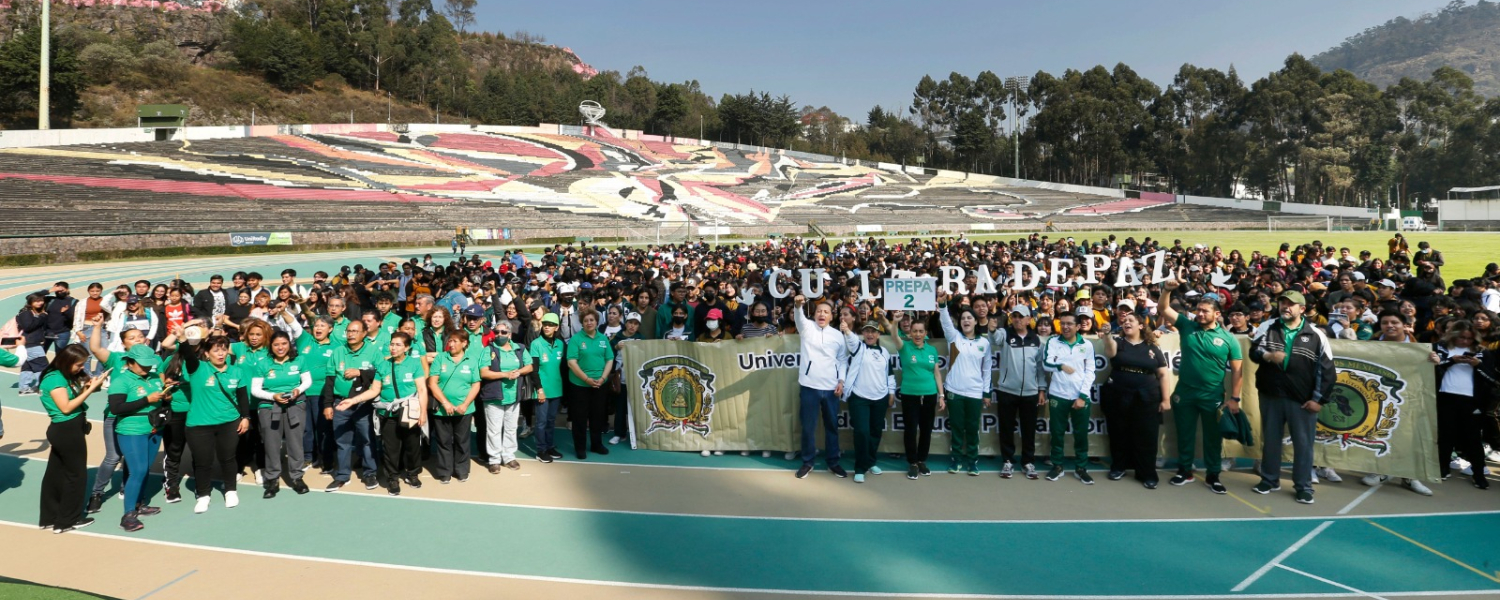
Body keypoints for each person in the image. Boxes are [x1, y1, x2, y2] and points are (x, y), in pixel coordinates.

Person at [1248, 291, 1336, 504]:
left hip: (1302, 400)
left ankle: (1303, 486)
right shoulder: (1267, 327)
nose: (1286, 307)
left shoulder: (1316, 335)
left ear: (1302, 309)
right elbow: (1254, 352)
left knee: (1303, 444)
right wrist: (1268, 356)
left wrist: (1318, 400)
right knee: (1270, 440)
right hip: (1271, 395)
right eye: (1282, 303)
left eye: (1291, 304)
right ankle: (1269, 480)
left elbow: (1328, 372)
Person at [1160, 273, 1243, 494]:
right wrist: (1166, 290)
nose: (1199, 313)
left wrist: (1234, 398)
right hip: (1184, 394)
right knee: (1184, 434)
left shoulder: (1228, 338)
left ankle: (1213, 475)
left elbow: (1237, 370)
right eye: (1198, 310)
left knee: (1212, 438)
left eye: (1204, 311)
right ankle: (1184, 471)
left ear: (1217, 314)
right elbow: (1164, 310)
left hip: (1213, 396)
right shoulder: (1187, 326)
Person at [178, 334, 252, 514]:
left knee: (228, 458)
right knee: (203, 461)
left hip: (229, 423)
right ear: (206, 353)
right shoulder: (197, 368)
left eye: (224, 349)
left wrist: (246, 417)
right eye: (216, 350)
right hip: (199, 425)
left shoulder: (236, 371)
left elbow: (242, 397)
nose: (221, 354)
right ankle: (203, 495)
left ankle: (230, 490)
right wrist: (182, 340)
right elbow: (188, 354)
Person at [38, 345, 106, 534]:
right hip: (66, 430)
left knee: (55, 473)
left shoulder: (64, 377)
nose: (81, 368)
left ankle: (50, 517)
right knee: (76, 475)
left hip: (67, 429)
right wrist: (89, 390)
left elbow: (74, 395)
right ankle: (68, 520)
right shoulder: (55, 380)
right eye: (79, 365)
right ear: (67, 361)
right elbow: (66, 407)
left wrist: (91, 385)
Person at [1100, 312, 1170, 489]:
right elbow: (1110, 351)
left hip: (1147, 397)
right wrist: (1108, 335)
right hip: (1118, 395)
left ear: (1141, 326)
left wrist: (1166, 399)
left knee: (1146, 435)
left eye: (1131, 320)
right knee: (1118, 432)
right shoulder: (1118, 343)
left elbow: (1162, 374)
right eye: (1124, 321)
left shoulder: (1152, 347)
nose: (1126, 322)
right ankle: (1118, 467)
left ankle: (1146, 473)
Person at [107, 345, 169, 531]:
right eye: (142, 365)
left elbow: (157, 397)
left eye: (149, 365)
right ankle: (128, 515)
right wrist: (146, 400)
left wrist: (166, 396)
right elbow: (116, 408)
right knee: (138, 470)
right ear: (131, 362)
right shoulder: (121, 380)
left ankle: (139, 505)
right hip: (131, 430)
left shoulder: (152, 378)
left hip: (154, 429)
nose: (146, 368)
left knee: (145, 469)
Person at [248, 331, 313, 498]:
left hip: (295, 406)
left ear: (289, 344)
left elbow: (307, 381)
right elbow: (255, 389)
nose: (280, 347)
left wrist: (298, 390)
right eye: (276, 344)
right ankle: (272, 480)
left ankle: (297, 478)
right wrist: (273, 396)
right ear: (271, 346)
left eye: (284, 344)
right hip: (269, 407)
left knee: (295, 443)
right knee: (271, 443)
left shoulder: (299, 360)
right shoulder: (263, 363)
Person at [321, 320, 384, 492]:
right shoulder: (338, 352)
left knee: (366, 439)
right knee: (342, 441)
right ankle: (342, 475)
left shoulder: (373, 352)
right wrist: (327, 404)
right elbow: (330, 380)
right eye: (348, 331)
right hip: (340, 403)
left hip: (363, 404)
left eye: (355, 331)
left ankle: (370, 473)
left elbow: (382, 373)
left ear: (364, 333)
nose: (350, 334)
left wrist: (361, 373)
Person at [791, 295, 848, 479]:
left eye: (826, 312)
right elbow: (799, 316)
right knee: (808, 427)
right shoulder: (807, 328)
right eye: (818, 311)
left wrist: (841, 381)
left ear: (832, 316)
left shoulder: (838, 336)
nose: (822, 314)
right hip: (809, 387)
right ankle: (808, 462)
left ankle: (833, 461)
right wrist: (798, 305)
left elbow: (842, 360)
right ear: (814, 314)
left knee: (832, 426)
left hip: (831, 389)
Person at [936, 290, 992, 476]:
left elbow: (987, 370)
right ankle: (957, 459)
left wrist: (986, 393)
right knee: (957, 428)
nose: (966, 321)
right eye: (963, 319)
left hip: (975, 393)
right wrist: (943, 305)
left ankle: (972, 461)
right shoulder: (955, 338)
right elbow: (945, 321)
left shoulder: (984, 343)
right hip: (954, 391)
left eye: (970, 318)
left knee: (972, 428)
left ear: (976, 321)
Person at [1431, 321, 1490, 489]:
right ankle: (1443, 468)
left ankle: (1479, 473)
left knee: (1473, 438)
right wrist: (1451, 361)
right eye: (1461, 337)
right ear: (1453, 335)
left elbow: (1492, 377)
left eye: (1469, 339)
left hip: (1471, 400)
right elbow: (1429, 367)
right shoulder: (1439, 347)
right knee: (1445, 436)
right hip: (1445, 396)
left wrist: (1477, 365)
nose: (1465, 342)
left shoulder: (1482, 352)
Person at [884, 312, 942, 480]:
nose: (917, 334)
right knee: (910, 429)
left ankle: (922, 460)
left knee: (926, 430)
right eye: (914, 331)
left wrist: (942, 395)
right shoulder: (905, 347)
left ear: (925, 333)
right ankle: (913, 463)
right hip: (910, 395)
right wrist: (895, 322)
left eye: (920, 331)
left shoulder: (932, 350)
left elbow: (937, 374)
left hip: (930, 394)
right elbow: (894, 335)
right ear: (910, 333)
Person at [991, 304, 1046, 480]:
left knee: (1029, 429)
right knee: (1006, 428)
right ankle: (1007, 460)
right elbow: (995, 338)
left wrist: (1042, 389)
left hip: (1030, 393)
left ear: (1029, 319)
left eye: (1021, 316)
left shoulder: (1037, 340)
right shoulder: (1005, 334)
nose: (1017, 319)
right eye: (1014, 316)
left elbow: (1039, 368)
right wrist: (991, 329)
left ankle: (1028, 462)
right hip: (1007, 390)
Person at [1042, 310, 1096, 484]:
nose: (1065, 327)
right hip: (1058, 394)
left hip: (1080, 396)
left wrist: (1082, 395)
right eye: (1062, 323)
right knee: (1057, 433)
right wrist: (1061, 366)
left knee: (1081, 434)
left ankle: (1081, 468)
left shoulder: (1087, 345)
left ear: (1078, 326)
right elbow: (1046, 363)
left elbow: (1090, 372)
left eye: (1069, 324)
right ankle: (1057, 466)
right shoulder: (1053, 341)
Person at [841, 319, 896, 483]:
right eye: (867, 331)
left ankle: (871, 461)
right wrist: (847, 330)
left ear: (879, 334)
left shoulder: (885, 352)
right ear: (863, 334)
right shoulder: (859, 348)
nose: (870, 334)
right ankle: (860, 468)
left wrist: (891, 393)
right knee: (862, 432)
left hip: (880, 398)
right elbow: (852, 340)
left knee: (875, 432)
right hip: (859, 398)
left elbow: (890, 374)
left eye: (873, 331)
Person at [374, 332, 427, 495]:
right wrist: (354, 400)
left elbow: (422, 389)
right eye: (392, 344)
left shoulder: (414, 363)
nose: (393, 347)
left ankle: (412, 474)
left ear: (407, 347)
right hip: (388, 413)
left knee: (412, 446)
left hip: (410, 411)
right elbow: (374, 389)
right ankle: (392, 478)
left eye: (398, 345)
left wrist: (423, 413)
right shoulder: (383, 365)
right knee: (391, 449)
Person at [479, 320, 532, 473]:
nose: (499, 335)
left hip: (513, 395)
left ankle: (508, 456)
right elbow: (484, 372)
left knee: (511, 428)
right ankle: (494, 459)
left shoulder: (520, 348)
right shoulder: (488, 350)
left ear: (509, 334)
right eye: (496, 332)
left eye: (503, 332)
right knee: (494, 429)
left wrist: (519, 372)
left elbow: (530, 365)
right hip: (494, 396)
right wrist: (505, 374)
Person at [429, 330, 479, 483]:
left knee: (462, 441)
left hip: (464, 410)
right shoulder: (441, 358)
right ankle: (445, 471)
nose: (451, 344)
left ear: (464, 343)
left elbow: (475, 384)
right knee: (443, 441)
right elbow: (433, 383)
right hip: (442, 410)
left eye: (455, 341)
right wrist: (445, 402)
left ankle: (461, 470)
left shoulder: (472, 360)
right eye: (450, 340)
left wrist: (465, 404)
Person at [566, 311, 614, 460]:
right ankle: (580, 448)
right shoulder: (576, 339)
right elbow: (571, 362)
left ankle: (596, 444)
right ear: (582, 323)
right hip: (580, 385)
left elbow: (609, 359)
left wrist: (603, 377)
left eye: (592, 320)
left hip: (600, 385)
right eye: (586, 320)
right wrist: (586, 379)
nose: (589, 323)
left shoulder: (603, 339)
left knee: (597, 416)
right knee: (579, 418)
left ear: (596, 322)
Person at [528, 313, 566, 463]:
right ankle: (541, 450)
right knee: (541, 421)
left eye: (550, 324)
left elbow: (563, 368)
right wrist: (539, 389)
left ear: (556, 327)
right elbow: (534, 369)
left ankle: (550, 446)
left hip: (556, 389)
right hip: (542, 390)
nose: (547, 327)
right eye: (545, 324)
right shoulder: (536, 344)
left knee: (551, 420)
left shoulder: (560, 344)